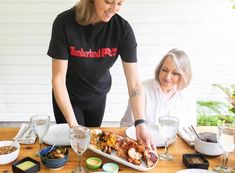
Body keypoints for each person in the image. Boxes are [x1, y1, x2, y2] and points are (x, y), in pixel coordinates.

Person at [47, 0, 155, 149]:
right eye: (109, 2)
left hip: (97, 99)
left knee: (91, 147)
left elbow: (135, 83)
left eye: (120, 3)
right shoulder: (64, 23)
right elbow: (58, 80)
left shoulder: (122, 29)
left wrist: (140, 122)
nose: (114, 8)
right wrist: (73, 125)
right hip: (68, 98)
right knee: (74, 147)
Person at [120, 48, 197, 127]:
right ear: (159, 68)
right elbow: (126, 125)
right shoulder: (142, 90)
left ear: (183, 75)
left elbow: (190, 130)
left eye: (175, 73)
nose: (167, 77)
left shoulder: (188, 97)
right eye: (164, 70)